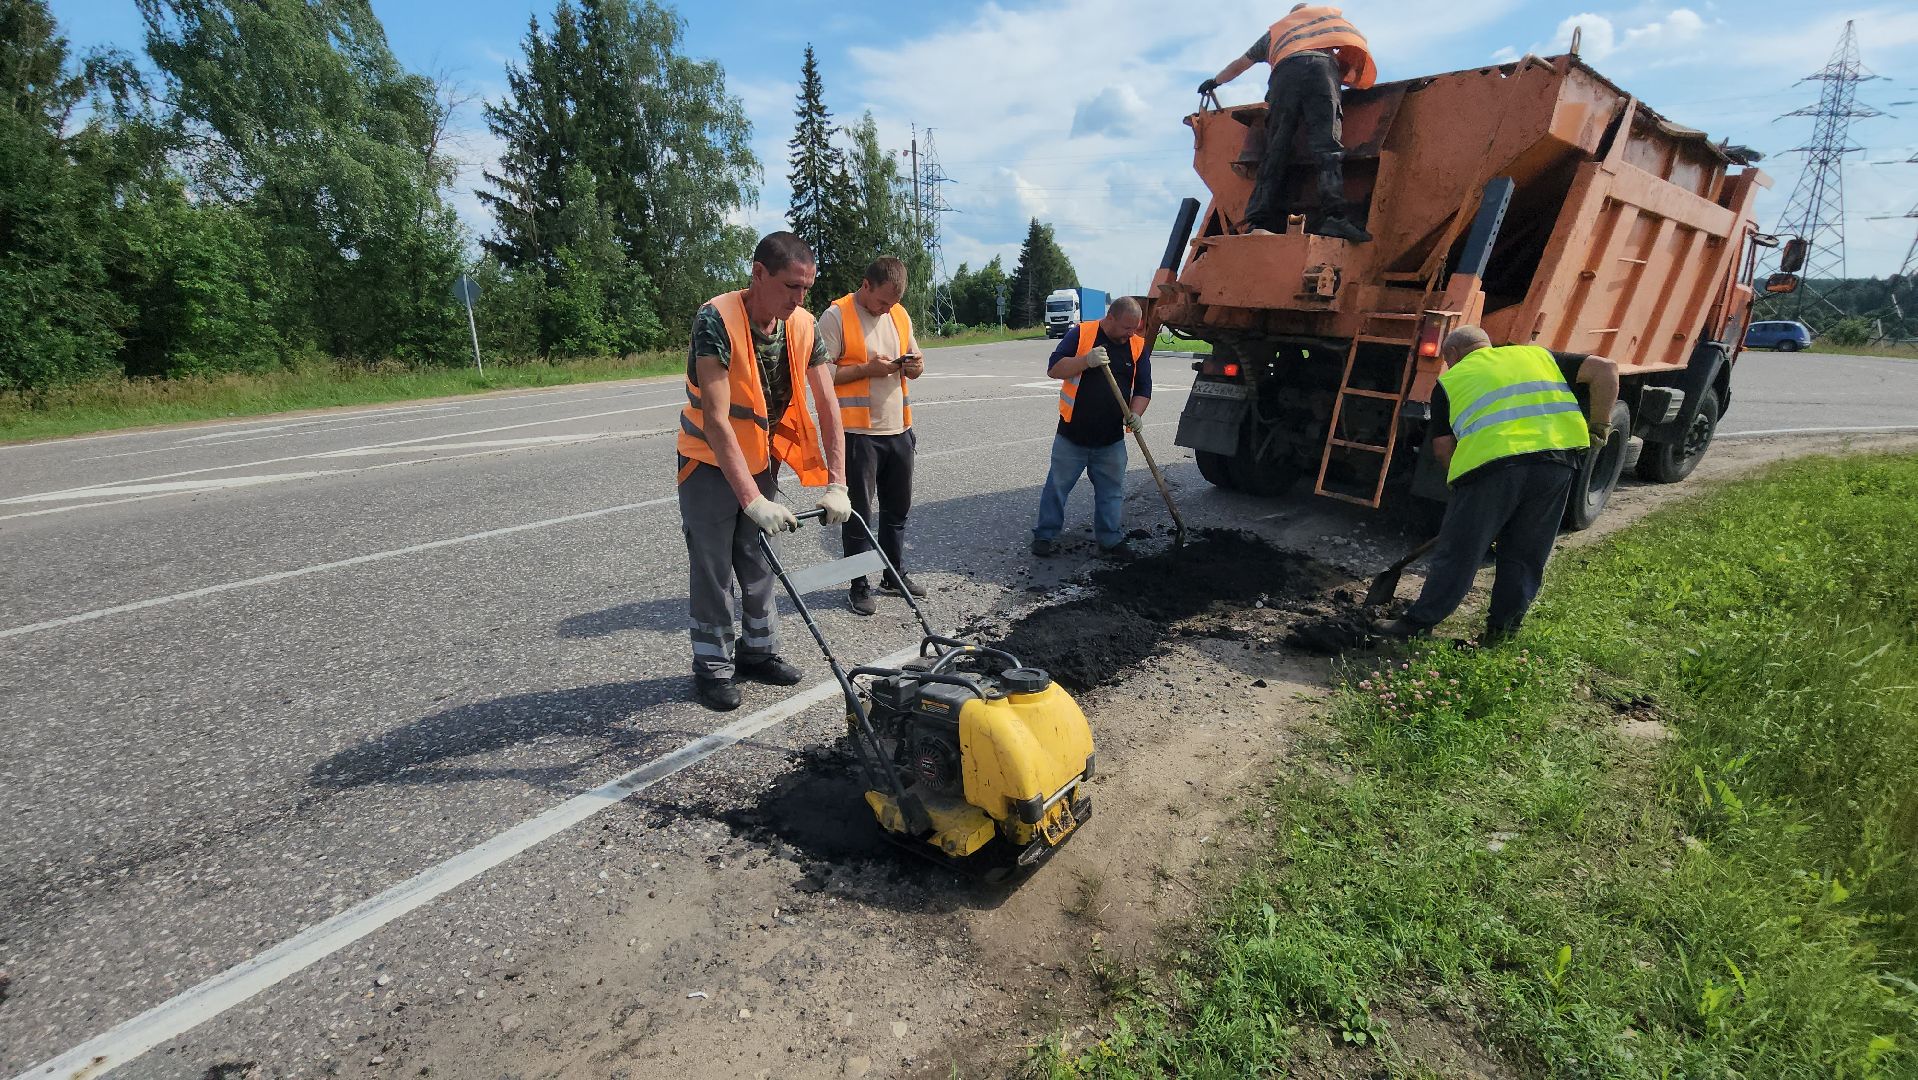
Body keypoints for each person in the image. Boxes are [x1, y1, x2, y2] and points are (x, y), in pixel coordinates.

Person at [677, 231, 851, 712]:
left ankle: (758, 653)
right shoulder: (715, 321)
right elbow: (715, 420)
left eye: (806, 289)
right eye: (791, 287)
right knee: (713, 568)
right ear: (758, 274)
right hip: (707, 461)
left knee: (756, 562)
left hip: (762, 457)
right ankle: (712, 669)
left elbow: (828, 405)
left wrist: (838, 482)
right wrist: (751, 500)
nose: (798, 299)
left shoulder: (803, 325)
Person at [1373, 326, 1620, 644]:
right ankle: (1501, 634)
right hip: (1556, 465)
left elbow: (1443, 447)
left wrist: (1460, 488)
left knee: (1460, 550)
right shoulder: (1538, 356)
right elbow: (1606, 369)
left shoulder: (1451, 380)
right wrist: (1600, 423)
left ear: (1453, 355)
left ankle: (1417, 623)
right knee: (1524, 552)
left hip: (1491, 469)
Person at [1199, 5, 1376, 242]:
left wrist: (1215, 81)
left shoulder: (1277, 32)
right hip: (1321, 72)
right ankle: (1335, 218)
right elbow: (1352, 55)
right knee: (1327, 149)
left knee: (1276, 149)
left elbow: (1240, 64)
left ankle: (1259, 220)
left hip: (1285, 76)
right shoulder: (1325, 22)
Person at [818, 257, 925, 616]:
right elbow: (821, 375)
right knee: (858, 515)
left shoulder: (899, 314)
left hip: (899, 430)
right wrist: (868, 369)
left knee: (898, 511)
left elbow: (917, 361)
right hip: (857, 435)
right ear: (865, 285)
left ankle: (893, 575)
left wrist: (916, 366)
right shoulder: (835, 316)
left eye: (893, 303)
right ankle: (858, 585)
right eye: (882, 302)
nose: (886, 309)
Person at [1030, 296, 1153, 559]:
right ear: (1110, 318)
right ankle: (1044, 535)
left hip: (1111, 439)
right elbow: (1054, 368)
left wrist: (1135, 413)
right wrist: (1086, 360)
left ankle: (1110, 539)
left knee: (1111, 492)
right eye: (1126, 328)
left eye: (1135, 328)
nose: (1130, 333)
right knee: (1057, 487)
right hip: (1072, 435)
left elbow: (1143, 387)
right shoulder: (1082, 334)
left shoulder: (1137, 346)